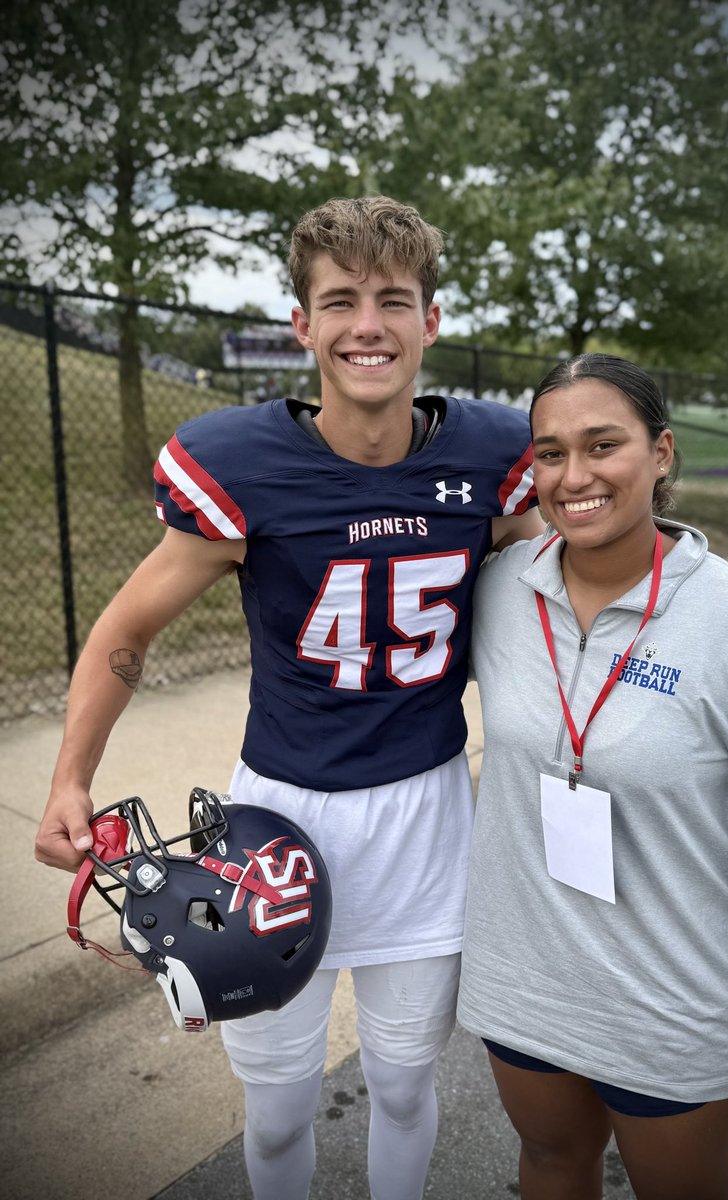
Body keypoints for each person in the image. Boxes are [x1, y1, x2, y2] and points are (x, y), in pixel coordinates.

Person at [34, 195, 542, 1200]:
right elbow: (127, 630)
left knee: (401, 1083)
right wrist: (69, 775)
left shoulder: (493, 458)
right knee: (275, 1108)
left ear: (430, 322)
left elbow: (556, 611)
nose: (369, 324)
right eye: (340, 300)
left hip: (428, 815)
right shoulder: (244, 465)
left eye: (393, 300)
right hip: (278, 819)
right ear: (302, 325)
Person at [457, 353, 728, 1200]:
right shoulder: (500, 592)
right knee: (547, 1165)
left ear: (663, 453)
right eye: (548, 453)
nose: (574, 476)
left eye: (602, 444)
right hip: (526, 983)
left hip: (672, 1003)